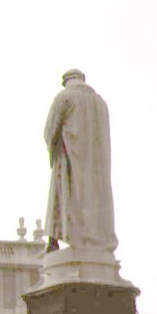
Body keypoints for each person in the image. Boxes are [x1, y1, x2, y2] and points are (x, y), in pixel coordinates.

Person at [43, 69, 118, 255]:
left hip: (69, 158)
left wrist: (53, 151)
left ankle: (55, 241)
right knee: (93, 201)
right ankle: (94, 240)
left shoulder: (64, 97)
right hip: (96, 167)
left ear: (66, 81)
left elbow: (49, 131)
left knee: (63, 197)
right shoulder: (101, 103)